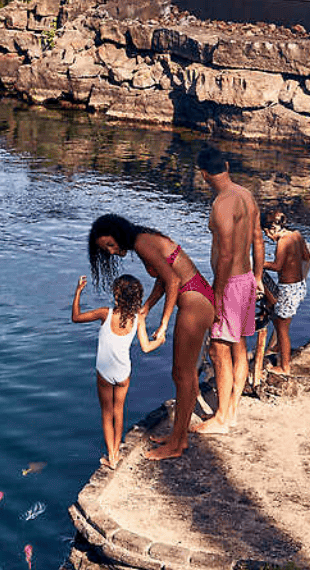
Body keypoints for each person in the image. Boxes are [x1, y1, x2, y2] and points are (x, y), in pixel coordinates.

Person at [88, 214, 216, 460]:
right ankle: (179, 437)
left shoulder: (141, 242)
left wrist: (164, 322)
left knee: (183, 375)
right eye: (107, 250)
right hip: (196, 296)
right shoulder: (143, 239)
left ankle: (177, 445)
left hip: (193, 300)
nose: (113, 253)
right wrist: (147, 306)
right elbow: (164, 277)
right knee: (182, 375)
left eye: (112, 245)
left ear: (120, 233)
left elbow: (174, 280)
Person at [192, 146, 264, 434]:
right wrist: (257, 277)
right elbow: (258, 240)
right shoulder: (247, 195)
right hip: (246, 279)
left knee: (218, 347)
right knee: (239, 346)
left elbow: (224, 254)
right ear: (227, 165)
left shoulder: (222, 203)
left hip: (230, 284)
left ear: (204, 174)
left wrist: (218, 293)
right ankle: (231, 411)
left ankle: (221, 418)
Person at [71, 273, 163, 468]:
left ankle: (111, 456)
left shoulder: (106, 313)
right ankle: (117, 454)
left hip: (104, 372)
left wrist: (78, 292)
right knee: (119, 411)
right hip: (123, 372)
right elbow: (146, 347)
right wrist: (160, 341)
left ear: (116, 296)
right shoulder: (138, 318)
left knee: (106, 413)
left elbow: (76, 318)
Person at [257, 209, 310, 375]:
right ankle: (280, 345)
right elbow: (306, 256)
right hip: (298, 286)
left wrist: (260, 262)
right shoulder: (297, 235)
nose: (268, 238)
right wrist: (292, 261)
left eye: (267, 234)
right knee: (278, 320)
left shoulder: (283, 241)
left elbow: (277, 266)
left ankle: (284, 367)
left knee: (282, 330)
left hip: (288, 289)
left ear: (272, 229)